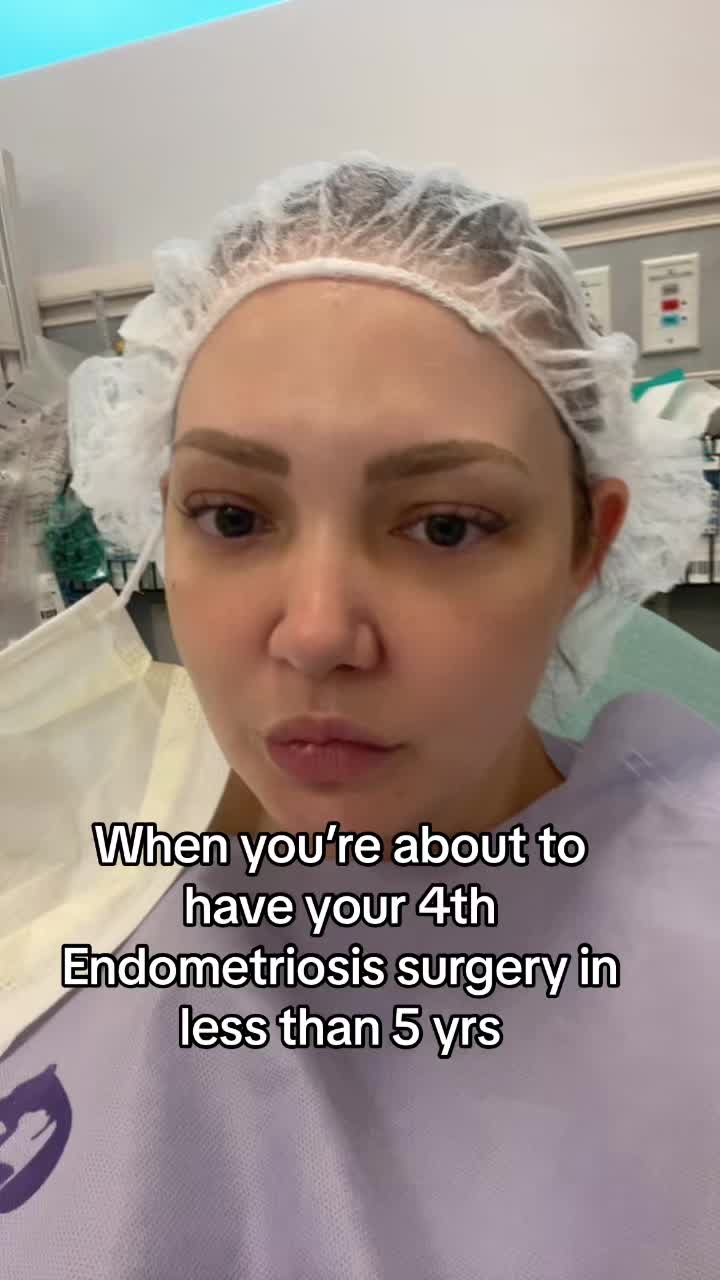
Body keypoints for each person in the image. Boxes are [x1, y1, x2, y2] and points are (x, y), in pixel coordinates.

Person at [2, 153, 719, 1278]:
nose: (318, 633)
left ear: (588, 547)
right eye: (231, 516)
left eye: (445, 526)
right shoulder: (68, 899)